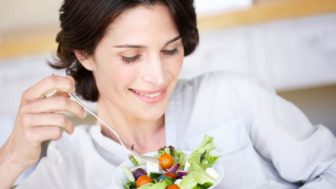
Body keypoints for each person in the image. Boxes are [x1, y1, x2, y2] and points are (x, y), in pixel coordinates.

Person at [1, 0, 336, 188]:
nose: (159, 77)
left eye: (170, 50)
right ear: (84, 55)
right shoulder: (69, 165)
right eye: (130, 56)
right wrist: (11, 159)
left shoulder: (233, 96)